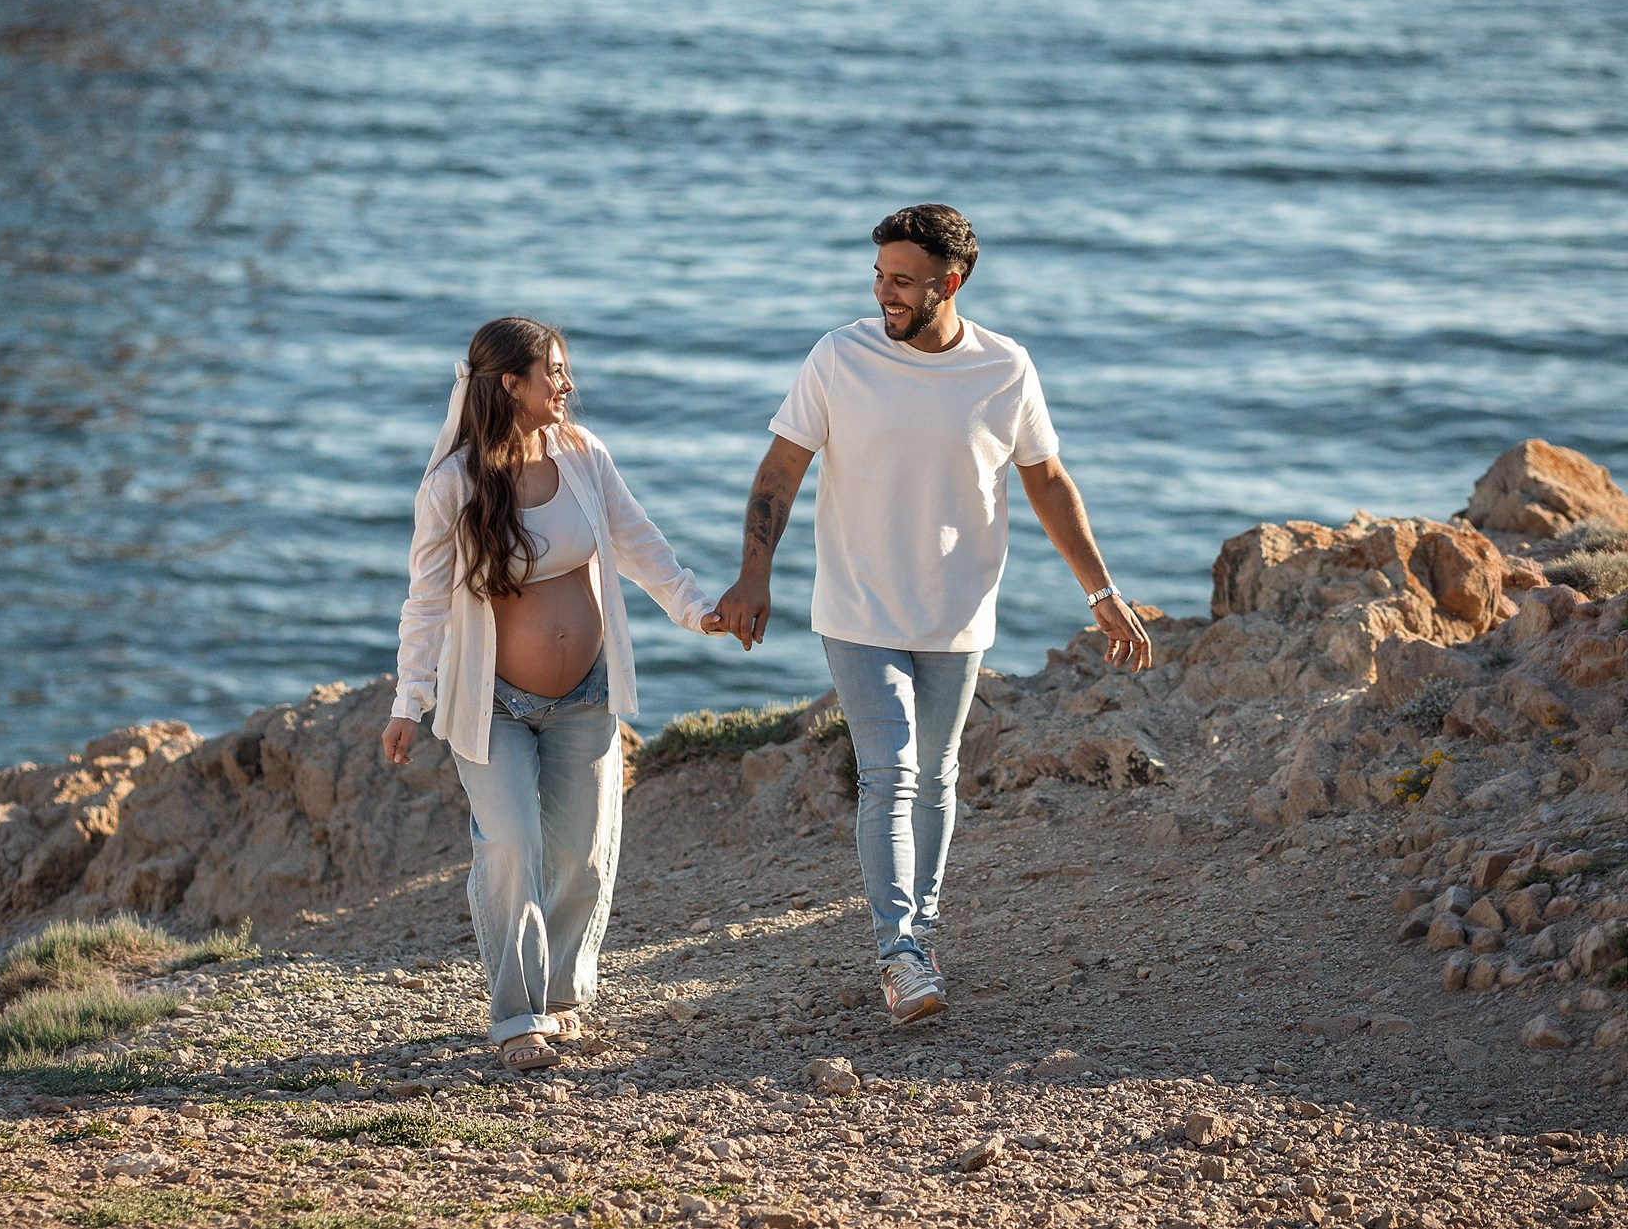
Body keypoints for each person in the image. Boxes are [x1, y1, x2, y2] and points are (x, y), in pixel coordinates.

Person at [715, 204, 1152, 1026]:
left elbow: (1048, 481)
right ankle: (899, 953)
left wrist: (1101, 591)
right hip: (858, 606)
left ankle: (922, 930)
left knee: (939, 778)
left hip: (958, 612)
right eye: (880, 276)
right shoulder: (839, 357)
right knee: (892, 769)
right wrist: (754, 573)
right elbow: (782, 467)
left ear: (949, 284)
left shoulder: (1004, 368)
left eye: (904, 281)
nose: (885, 293)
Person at [381, 316, 723, 1070]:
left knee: (581, 852)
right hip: (494, 701)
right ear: (511, 384)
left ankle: (560, 996)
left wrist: (696, 609)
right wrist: (410, 700)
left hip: (586, 695)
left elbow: (638, 540)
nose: (567, 385)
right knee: (510, 844)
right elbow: (427, 601)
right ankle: (516, 1018)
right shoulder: (454, 484)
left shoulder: (582, 455)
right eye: (555, 373)